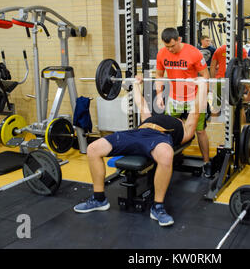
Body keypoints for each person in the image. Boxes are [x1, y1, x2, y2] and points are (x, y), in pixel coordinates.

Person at [74, 75, 208, 227]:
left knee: (166, 155)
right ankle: (99, 199)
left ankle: (158, 207)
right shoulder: (150, 118)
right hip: (137, 134)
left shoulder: (185, 130)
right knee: (93, 148)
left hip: (160, 138)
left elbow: (195, 111)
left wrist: (202, 87)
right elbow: (141, 103)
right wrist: (136, 84)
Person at [154, 28, 213, 177]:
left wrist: (203, 96)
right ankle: (172, 159)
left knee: (200, 131)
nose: (170, 49)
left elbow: (205, 75)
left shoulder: (194, 52)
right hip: (175, 98)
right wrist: (159, 95)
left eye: (172, 46)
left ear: (179, 39)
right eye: (167, 46)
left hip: (194, 98)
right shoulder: (162, 53)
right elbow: (159, 75)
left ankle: (206, 162)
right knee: (169, 131)